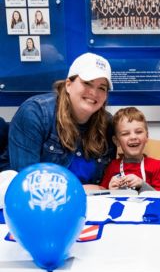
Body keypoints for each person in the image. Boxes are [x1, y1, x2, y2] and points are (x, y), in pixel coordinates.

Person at [7, 52, 116, 190]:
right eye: (87, 83)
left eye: (102, 88)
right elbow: (26, 184)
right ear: (68, 85)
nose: (94, 93)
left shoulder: (108, 124)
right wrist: (78, 190)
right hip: (41, 205)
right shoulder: (35, 113)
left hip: (92, 207)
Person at [100, 107, 160, 192]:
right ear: (117, 141)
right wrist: (110, 190)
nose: (133, 137)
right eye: (125, 133)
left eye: (139, 132)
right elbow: (103, 196)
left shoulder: (157, 166)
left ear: (146, 137)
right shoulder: (112, 167)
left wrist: (142, 185)